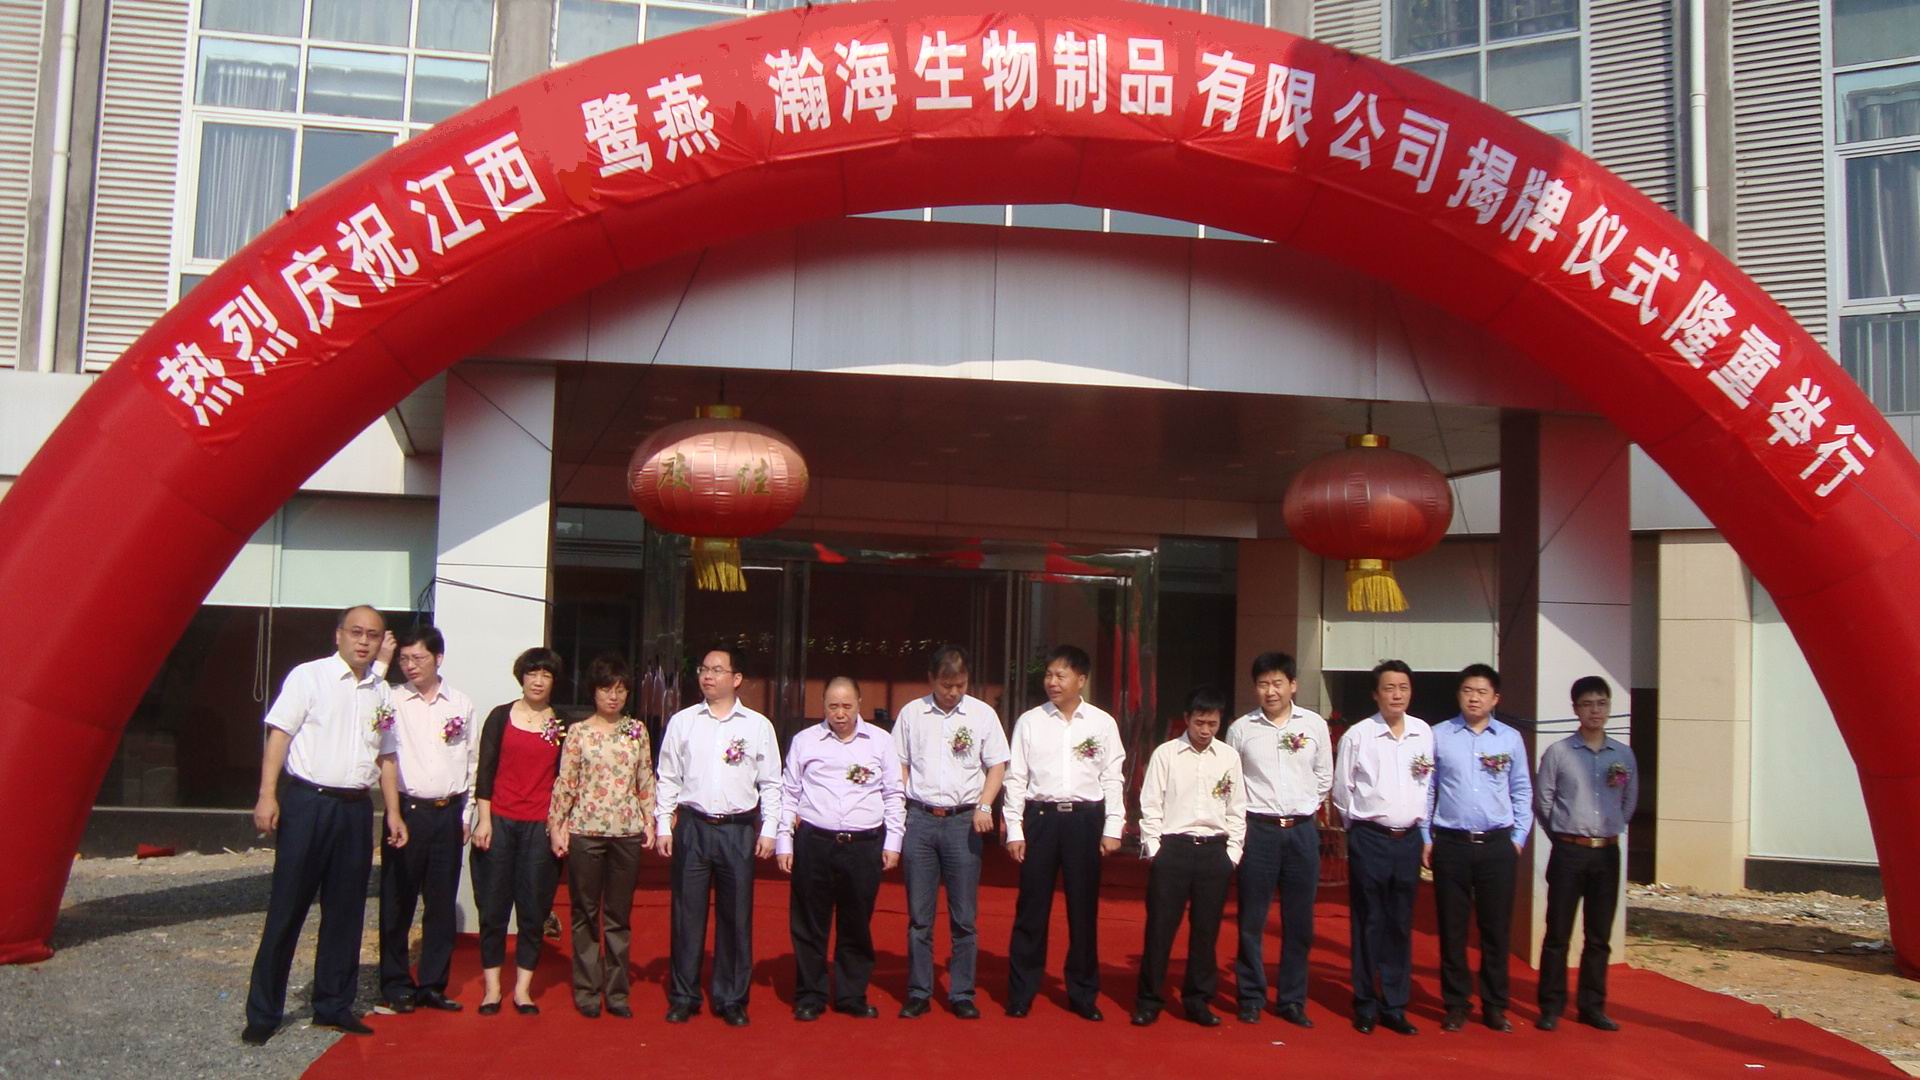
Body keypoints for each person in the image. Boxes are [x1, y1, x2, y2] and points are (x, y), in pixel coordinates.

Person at [241, 605, 395, 1046]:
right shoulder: (308, 677)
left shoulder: (380, 690)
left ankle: (333, 1004)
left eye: (372, 635)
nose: (363, 642)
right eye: (356, 632)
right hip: (310, 802)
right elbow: (280, 735)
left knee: (346, 911)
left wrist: (393, 812)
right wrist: (267, 793)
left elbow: (386, 754)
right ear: (338, 635)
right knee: (287, 906)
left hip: (355, 808)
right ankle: (264, 1012)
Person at [655, 644, 782, 1027]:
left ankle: (731, 998)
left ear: (736, 678)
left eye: (716, 670)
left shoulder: (757, 726)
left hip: (737, 830)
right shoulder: (683, 721)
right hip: (693, 827)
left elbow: (771, 782)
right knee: (687, 915)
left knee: (736, 917)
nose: (707, 676)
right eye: (703, 669)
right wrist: (663, 822)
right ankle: (684, 995)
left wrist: (770, 828)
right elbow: (668, 776)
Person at [1002, 644, 1126, 1021]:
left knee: (1083, 910)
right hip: (1041, 819)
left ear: (1081, 680)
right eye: (1049, 675)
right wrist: (1014, 828)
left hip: (1085, 821)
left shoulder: (1102, 723)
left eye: (1061, 675)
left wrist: (1113, 826)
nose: (1052, 682)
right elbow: (1016, 777)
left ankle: (1083, 993)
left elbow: (1113, 777)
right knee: (1031, 909)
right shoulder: (1030, 721)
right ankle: (1022, 991)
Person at [775, 677, 906, 1020]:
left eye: (847, 706)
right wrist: (784, 840)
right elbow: (789, 793)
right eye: (833, 706)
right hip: (815, 842)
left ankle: (851, 994)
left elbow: (894, 794)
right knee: (809, 922)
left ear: (859, 704)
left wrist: (893, 841)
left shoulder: (880, 741)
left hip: (863, 845)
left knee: (856, 922)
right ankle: (810, 994)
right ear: (823, 705)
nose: (840, 713)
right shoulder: (805, 741)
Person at [894, 645, 1009, 1020]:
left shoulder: (982, 714)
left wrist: (985, 805)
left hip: (963, 822)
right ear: (931, 680)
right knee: (919, 915)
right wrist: (905, 804)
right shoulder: (912, 714)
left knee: (964, 916)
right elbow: (899, 763)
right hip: (921, 819)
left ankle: (961, 992)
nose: (953, 692)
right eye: (946, 685)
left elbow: (997, 765)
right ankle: (919, 991)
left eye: (960, 685)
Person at [1421, 663, 1532, 1033]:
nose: (1474, 698)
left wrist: (1518, 838)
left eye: (1482, 692)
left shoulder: (1510, 739)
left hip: (1497, 845)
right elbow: (1428, 789)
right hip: (1451, 843)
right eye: (1467, 690)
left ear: (1495, 698)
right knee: (1452, 929)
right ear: (1458, 694)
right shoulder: (1439, 735)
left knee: (1495, 930)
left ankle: (1495, 1005)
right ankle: (1456, 1003)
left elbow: (1522, 790)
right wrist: (1426, 837)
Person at [375, 624, 478, 1015]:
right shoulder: (392, 699)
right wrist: (382, 662)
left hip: (448, 812)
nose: (410, 665)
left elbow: (471, 762)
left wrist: (466, 814)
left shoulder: (461, 704)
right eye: (404, 659)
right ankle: (396, 983)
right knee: (397, 901)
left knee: (440, 904)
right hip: (408, 811)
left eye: (418, 658)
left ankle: (433, 983)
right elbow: (382, 749)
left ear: (439, 658)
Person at [1227, 650, 1332, 1027]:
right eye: (1262, 684)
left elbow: (1324, 775)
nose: (1270, 691)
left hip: (1302, 831)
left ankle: (1292, 1000)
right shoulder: (1241, 729)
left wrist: (1304, 806)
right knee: (1252, 919)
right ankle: (1251, 995)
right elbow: (1231, 780)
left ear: (1293, 685)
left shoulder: (1314, 725)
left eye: (1277, 683)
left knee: (1299, 921)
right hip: (1259, 831)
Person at [1131, 686, 1246, 1028]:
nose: (1205, 730)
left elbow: (1236, 808)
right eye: (1200, 722)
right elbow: (1150, 804)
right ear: (1187, 719)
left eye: (1212, 723)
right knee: (1160, 929)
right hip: (1174, 849)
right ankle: (1149, 999)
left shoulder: (1228, 758)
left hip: (1214, 851)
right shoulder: (1166, 754)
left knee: (1206, 932)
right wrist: (1155, 850)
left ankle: (1198, 999)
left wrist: (1232, 854)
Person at [549, 655, 656, 1019]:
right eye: (606, 689)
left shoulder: (636, 731)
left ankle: (617, 991)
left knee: (618, 915)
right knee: (585, 912)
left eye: (621, 690)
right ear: (593, 692)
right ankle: (587, 989)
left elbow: (645, 778)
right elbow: (566, 781)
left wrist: (650, 820)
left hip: (626, 831)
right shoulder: (579, 733)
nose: (614, 696)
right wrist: (557, 824)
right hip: (586, 830)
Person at [1331, 658, 1433, 1036]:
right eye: (1389, 688)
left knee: (1400, 923)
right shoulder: (1358, 735)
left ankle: (1394, 1004)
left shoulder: (1423, 733)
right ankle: (1365, 1002)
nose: (1397, 695)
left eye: (1403, 688)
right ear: (1376, 694)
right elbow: (1342, 790)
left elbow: (1428, 786)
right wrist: (1355, 830)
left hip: (1408, 840)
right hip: (1370, 838)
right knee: (1368, 920)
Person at [1534, 675, 1637, 1033]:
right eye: (1587, 704)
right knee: (1557, 933)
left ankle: (1592, 1006)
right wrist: (1563, 835)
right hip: (1569, 852)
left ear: (1609, 708)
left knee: (1599, 936)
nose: (1595, 710)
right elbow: (1543, 801)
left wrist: (1610, 827)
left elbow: (1629, 801)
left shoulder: (1622, 755)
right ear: (1575, 709)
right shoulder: (1559, 753)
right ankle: (1550, 1005)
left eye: (1601, 703)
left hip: (1606, 854)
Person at [471, 646, 567, 1017]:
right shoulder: (500, 717)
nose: (538, 681)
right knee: (493, 906)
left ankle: (523, 990)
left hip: (538, 827)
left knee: (533, 908)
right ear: (521, 677)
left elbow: (565, 780)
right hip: (500, 821)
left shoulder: (561, 724)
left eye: (546, 675)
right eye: (532, 673)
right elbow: (485, 770)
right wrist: (484, 819)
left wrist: (558, 826)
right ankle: (493, 988)